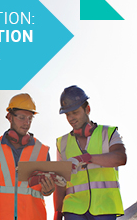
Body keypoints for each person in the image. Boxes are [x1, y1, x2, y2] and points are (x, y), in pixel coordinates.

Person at [0, 93, 55, 220]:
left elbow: (45, 190)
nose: (26, 123)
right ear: (9, 116)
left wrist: (48, 190)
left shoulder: (42, 151)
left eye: (30, 119)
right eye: (22, 117)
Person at [53, 85, 127, 220]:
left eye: (75, 112)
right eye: (67, 114)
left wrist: (85, 157)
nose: (71, 118)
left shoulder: (109, 133)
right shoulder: (61, 143)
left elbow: (120, 158)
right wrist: (57, 213)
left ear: (87, 109)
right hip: (73, 208)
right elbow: (60, 182)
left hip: (104, 207)